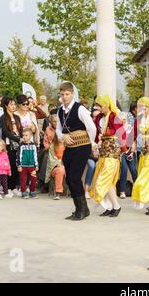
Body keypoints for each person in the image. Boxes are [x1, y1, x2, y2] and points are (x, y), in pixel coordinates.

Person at [56, 81, 97, 221]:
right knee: (69, 178)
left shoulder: (80, 109)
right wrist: (63, 137)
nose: (64, 97)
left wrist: (91, 143)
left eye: (67, 94)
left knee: (74, 177)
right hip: (69, 147)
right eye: (62, 94)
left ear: (72, 94)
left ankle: (81, 210)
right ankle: (82, 209)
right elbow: (58, 129)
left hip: (82, 146)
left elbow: (92, 127)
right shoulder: (60, 110)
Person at [90, 95, 127, 218]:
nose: (98, 108)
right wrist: (95, 144)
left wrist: (123, 149)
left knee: (104, 178)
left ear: (106, 105)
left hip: (112, 151)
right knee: (109, 181)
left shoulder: (113, 116)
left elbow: (121, 132)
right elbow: (95, 132)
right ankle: (113, 206)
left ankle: (106, 202)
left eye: (100, 105)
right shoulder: (99, 118)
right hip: (104, 151)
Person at [0, 97, 22, 197]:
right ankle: (7, 188)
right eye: (11, 104)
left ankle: (14, 187)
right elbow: (5, 132)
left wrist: (22, 138)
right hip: (8, 145)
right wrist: (17, 139)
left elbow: (20, 130)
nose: (13, 106)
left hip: (18, 145)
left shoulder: (17, 117)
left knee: (16, 166)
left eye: (14, 104)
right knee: (9, 166)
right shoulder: (3, 117)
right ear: (6, 105)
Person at [117, 111, 137, 200]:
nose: (123, 121)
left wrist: (133, 149)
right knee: (124, 170)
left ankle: (138, 190)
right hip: (121, 153)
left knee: (133, 170)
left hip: (130, 152)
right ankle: (122, 191)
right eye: (121, 120)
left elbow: (134, 139)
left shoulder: (130, 127)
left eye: (124, 119)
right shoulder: (117, 129)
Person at [45, 125, 66, 201]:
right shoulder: (52, 146)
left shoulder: (68, 145)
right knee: (60, 170)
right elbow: (52, 159)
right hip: (55, 167)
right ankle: (58, 192)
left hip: (66, 166)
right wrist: (60, 165)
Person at [17, 128, 39, 199]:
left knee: (34, 179)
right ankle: (23, 192)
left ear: (30, 136)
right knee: (23, 179)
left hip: (32, 166)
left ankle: (32, 191)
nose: (24, 137)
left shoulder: (34, 145)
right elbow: (18, 156)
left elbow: (35, 155)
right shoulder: (21, 145)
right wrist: (19, 165)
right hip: (23, 166)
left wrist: (36, 165)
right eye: (23, 135)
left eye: (26, 135)